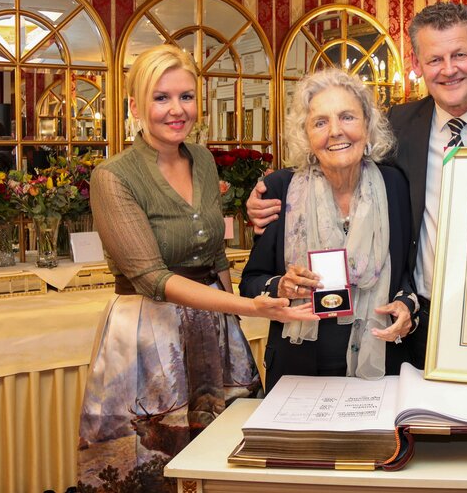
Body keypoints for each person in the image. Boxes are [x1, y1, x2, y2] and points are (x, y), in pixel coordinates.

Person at [248, 2, 467, 370]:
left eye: (459, 54)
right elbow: (333, 162)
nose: (448, 70)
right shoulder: (398, 127)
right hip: (420, 323)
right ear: (417, 66)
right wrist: (263, 197)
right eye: (434, 60)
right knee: (422, 426)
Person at [77, 44, 316, 492]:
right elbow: (153, 279)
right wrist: (252, 306)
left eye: (186, 97)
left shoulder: (203, 161)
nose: (176, 110)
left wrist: (236, 326)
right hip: (150, 332)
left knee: (222, 454)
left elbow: (215, 257)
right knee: (152, 459)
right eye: (161, 97)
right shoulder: (114, 176)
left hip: (214, 327)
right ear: (135, 106)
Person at [238, 69, 416, 393]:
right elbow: (250, 282)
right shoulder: (280, 189)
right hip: (298, 371)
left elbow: (407, 270)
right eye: (320, 122)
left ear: (367, 125)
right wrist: (282, 286)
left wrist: (407, 305)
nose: (335, 132)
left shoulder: (395, 184)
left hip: (382, 366)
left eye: (347, 117)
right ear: (306, 135)